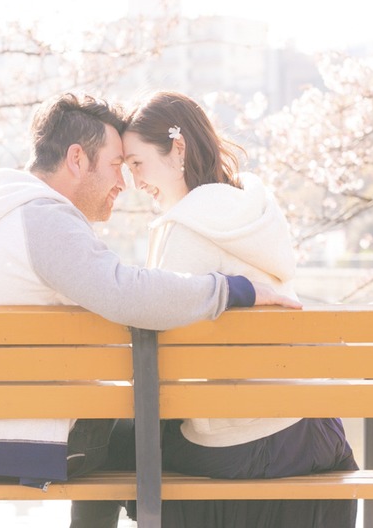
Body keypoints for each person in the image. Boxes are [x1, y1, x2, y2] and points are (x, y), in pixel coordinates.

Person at [0, 93, 300, 527]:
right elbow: (127, 296)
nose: (124, 182)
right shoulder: (43, 219)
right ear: (77, 159)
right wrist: (233, 289)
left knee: (121, 424)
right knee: (151, 436)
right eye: (116, 164)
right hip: (21, 439)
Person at [120, 90, 359, 528]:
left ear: (177, 148)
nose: (135, 181)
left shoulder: (182, 226)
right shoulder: (258, 212)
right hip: (315, 432)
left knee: (122, 453)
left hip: (241, 446)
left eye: (137, 163)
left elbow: (159, 358)